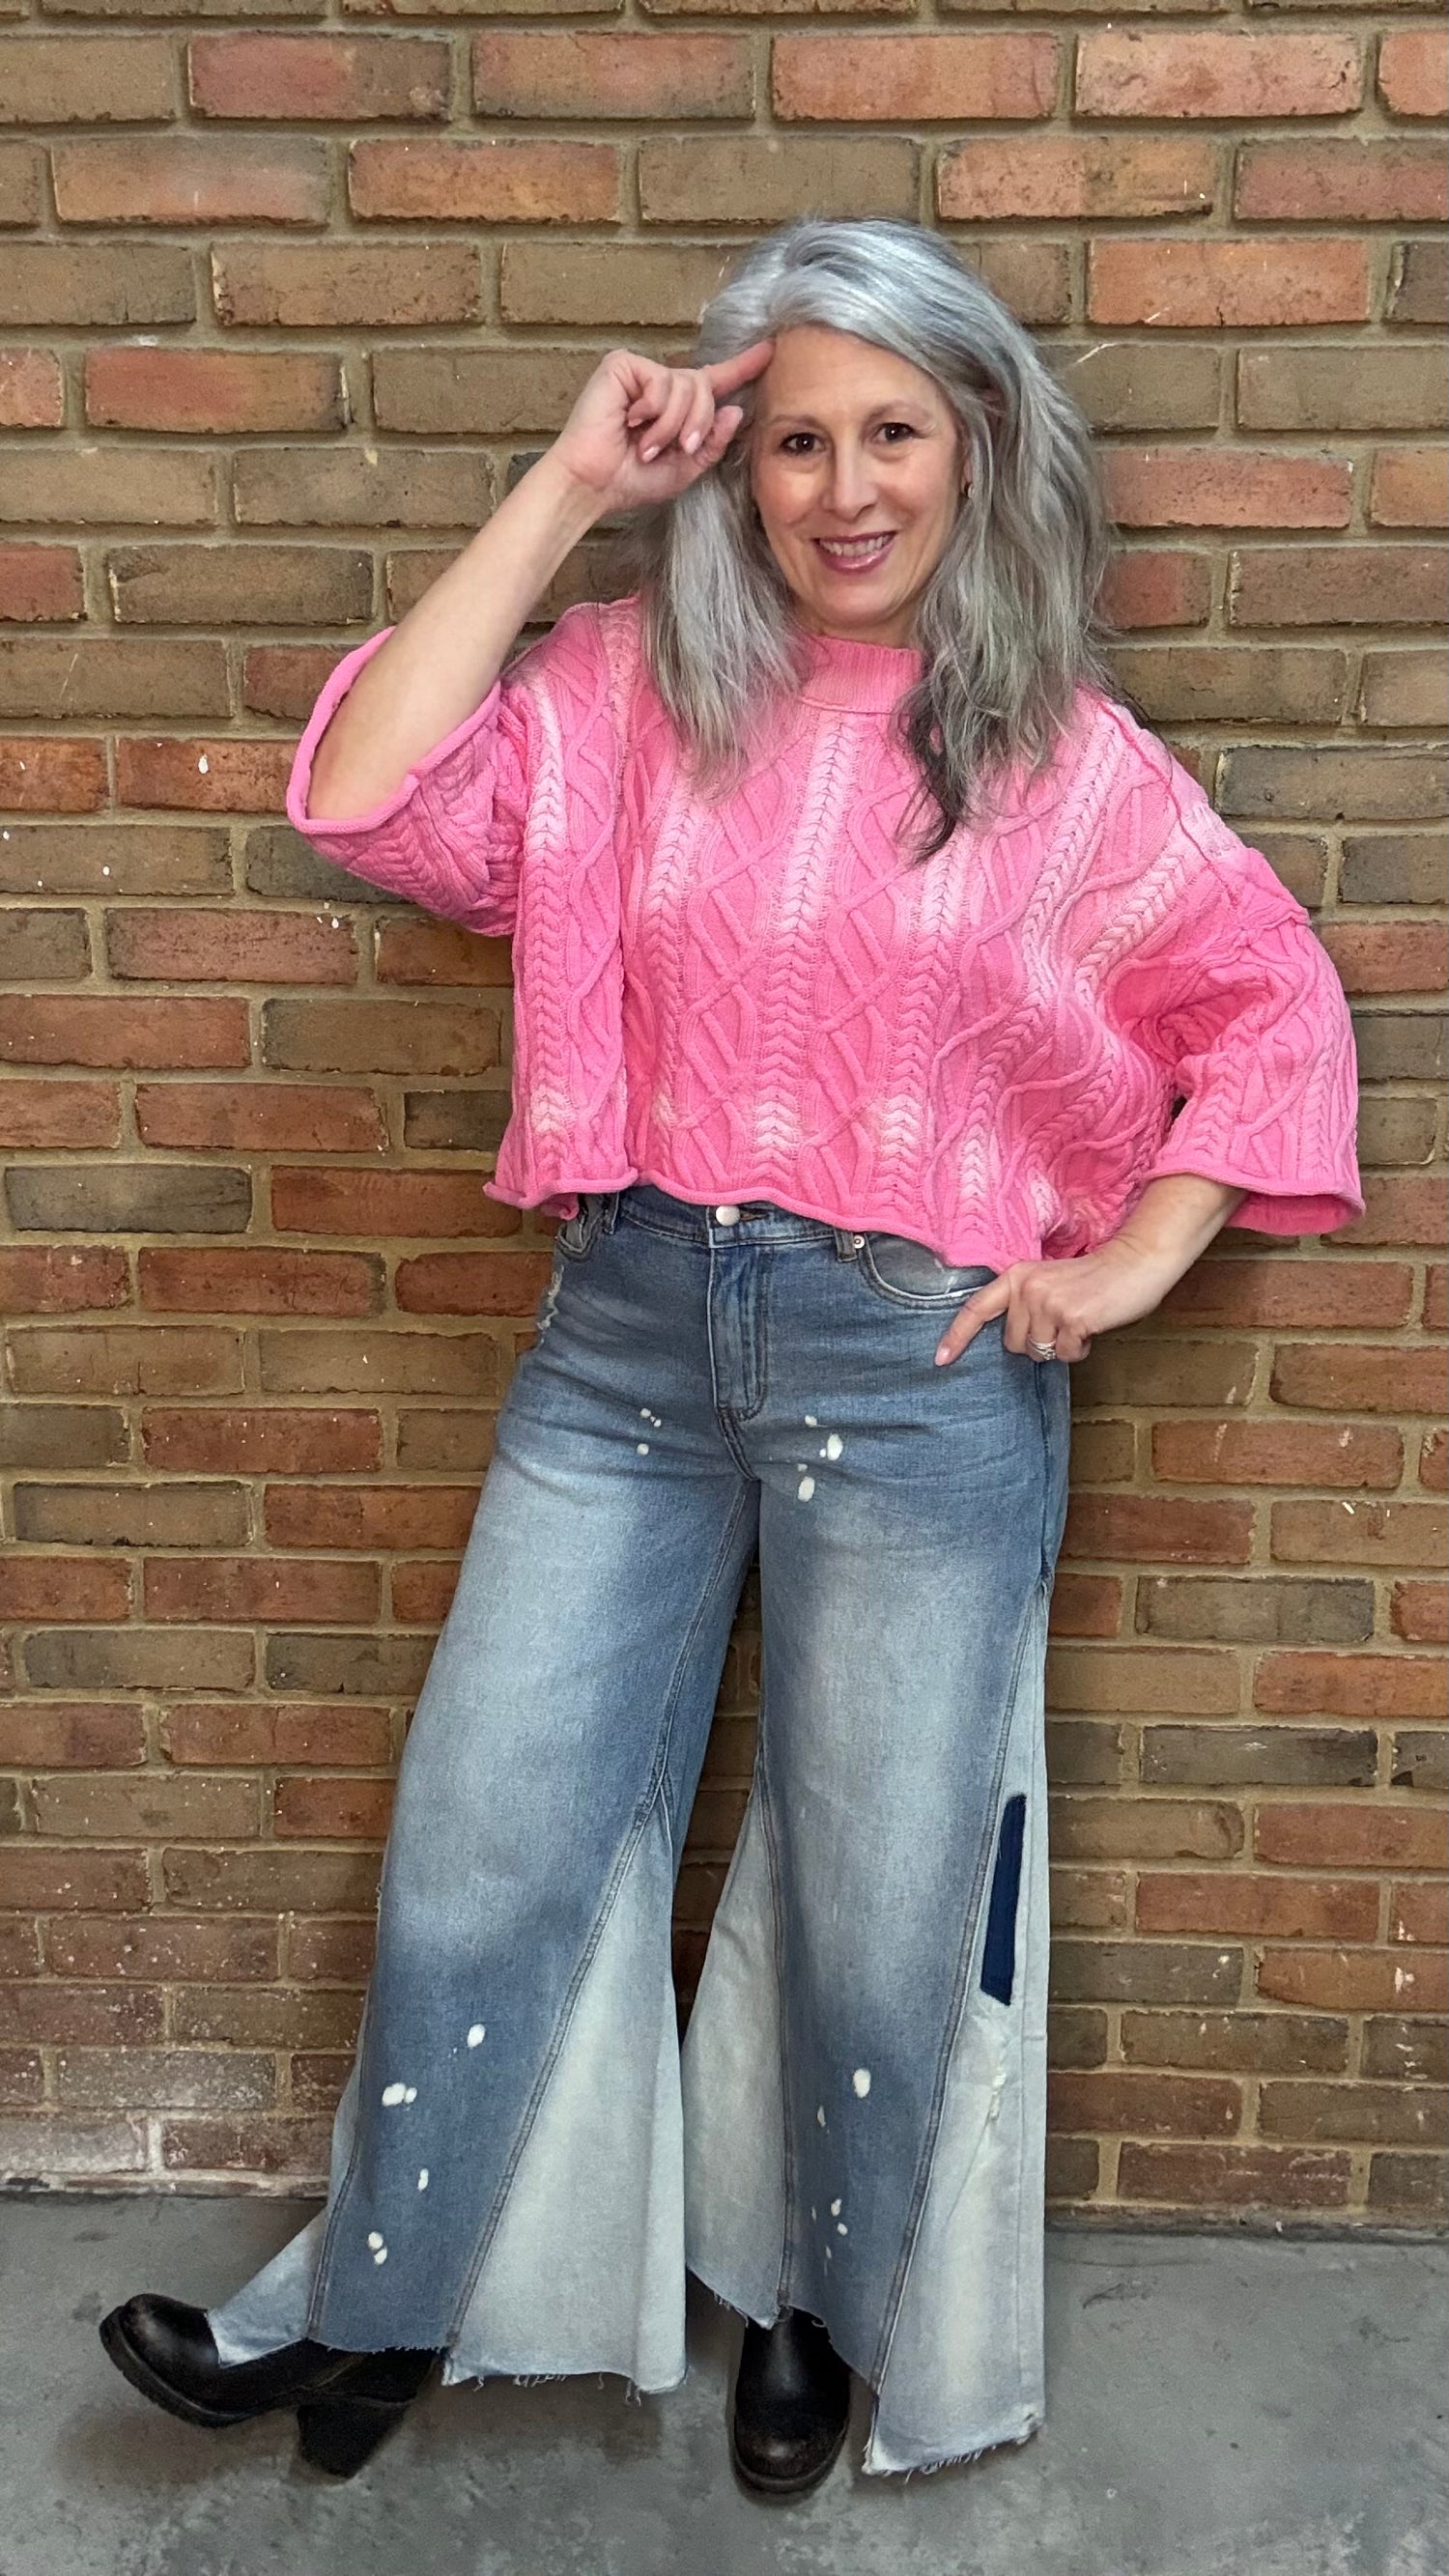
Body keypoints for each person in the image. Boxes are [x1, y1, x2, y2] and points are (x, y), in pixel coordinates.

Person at [99, 216, 1363, 2495]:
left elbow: (1268, 1012)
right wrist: (575, 484)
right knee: (483, 1837)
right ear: (734, 463)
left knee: (879, 1895)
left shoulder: (1064, 762)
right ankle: (384, 2297)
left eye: (895, 432)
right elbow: (366, 792)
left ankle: (818, 2305)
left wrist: (1133, 1260)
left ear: (977, 447)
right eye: (794, 441)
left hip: (919, 1366)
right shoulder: (617, 690)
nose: (845, 488)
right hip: (629, 1335)